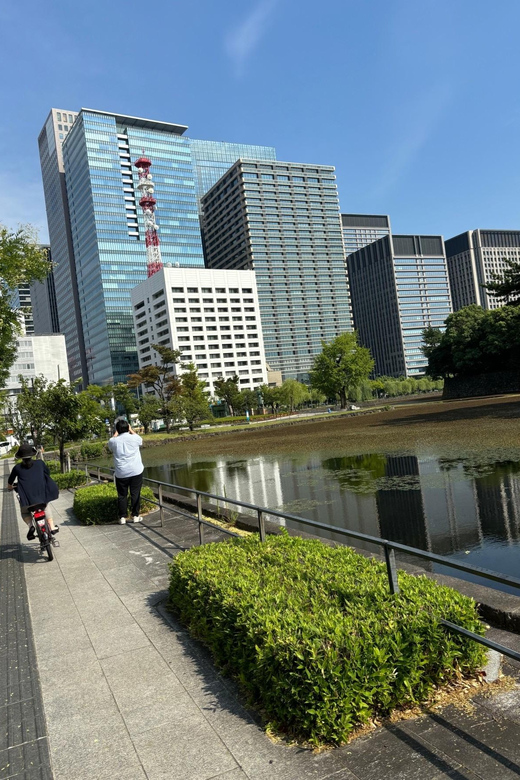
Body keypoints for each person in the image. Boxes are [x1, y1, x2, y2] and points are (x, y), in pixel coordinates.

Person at [7, 443, 59, 539]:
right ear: (32, 454)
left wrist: (10, 487)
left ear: (20, 457)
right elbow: (47, 473)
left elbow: (10, 481)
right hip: (42, 497)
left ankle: (31, 526)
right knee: (46, 506)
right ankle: (52, 527)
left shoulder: (17, 468)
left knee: (25, 512)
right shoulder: (40, 463)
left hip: (27, 501)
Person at [108, 418, 144, 524]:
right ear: (128, 427)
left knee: (122, 495)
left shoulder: (113, 441)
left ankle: (122, 517)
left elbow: (111, 442)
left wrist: (116, 432)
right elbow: (140, 440)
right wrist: (131, 430)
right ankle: (135, 515)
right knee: (135, 493)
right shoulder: (135, 438)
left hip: (121, 472)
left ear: (117, 430)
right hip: (135, 470)